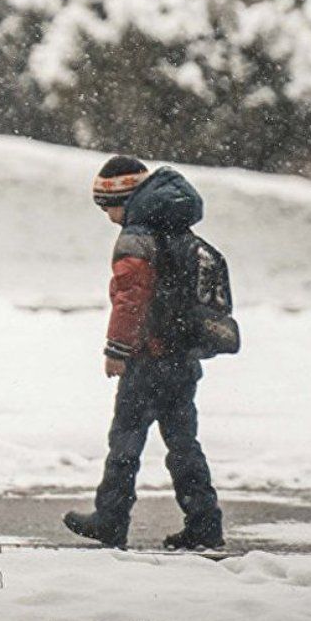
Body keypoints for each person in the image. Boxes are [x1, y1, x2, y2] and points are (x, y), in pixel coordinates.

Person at [64, 155, 225, 551]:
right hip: (181, 355)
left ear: (124, 198)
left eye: (107, 206)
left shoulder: (137, 236)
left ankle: (110, 518)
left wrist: (116, 349)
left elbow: (130, 299)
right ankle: (204, 522)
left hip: (148, 356)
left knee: (125, 440)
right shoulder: (177, 227)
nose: (107, 216)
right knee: (184, 443)